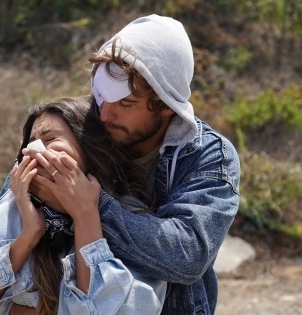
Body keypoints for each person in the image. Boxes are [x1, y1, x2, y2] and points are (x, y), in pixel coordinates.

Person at [18, 15, 241, 314]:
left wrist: (89, 205)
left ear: (165, 106)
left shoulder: (208, 156)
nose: (106, 114)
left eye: (125, 104)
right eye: (100, 96)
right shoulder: (82, 125)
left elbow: (187, 256)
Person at [0, 97, 166, 314]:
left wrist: (85, 216)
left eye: (50, 139)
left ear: (88, 148)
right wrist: (29, 235)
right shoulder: (9, 214)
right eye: (30, 145)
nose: (34, 151)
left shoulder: (134, 219)